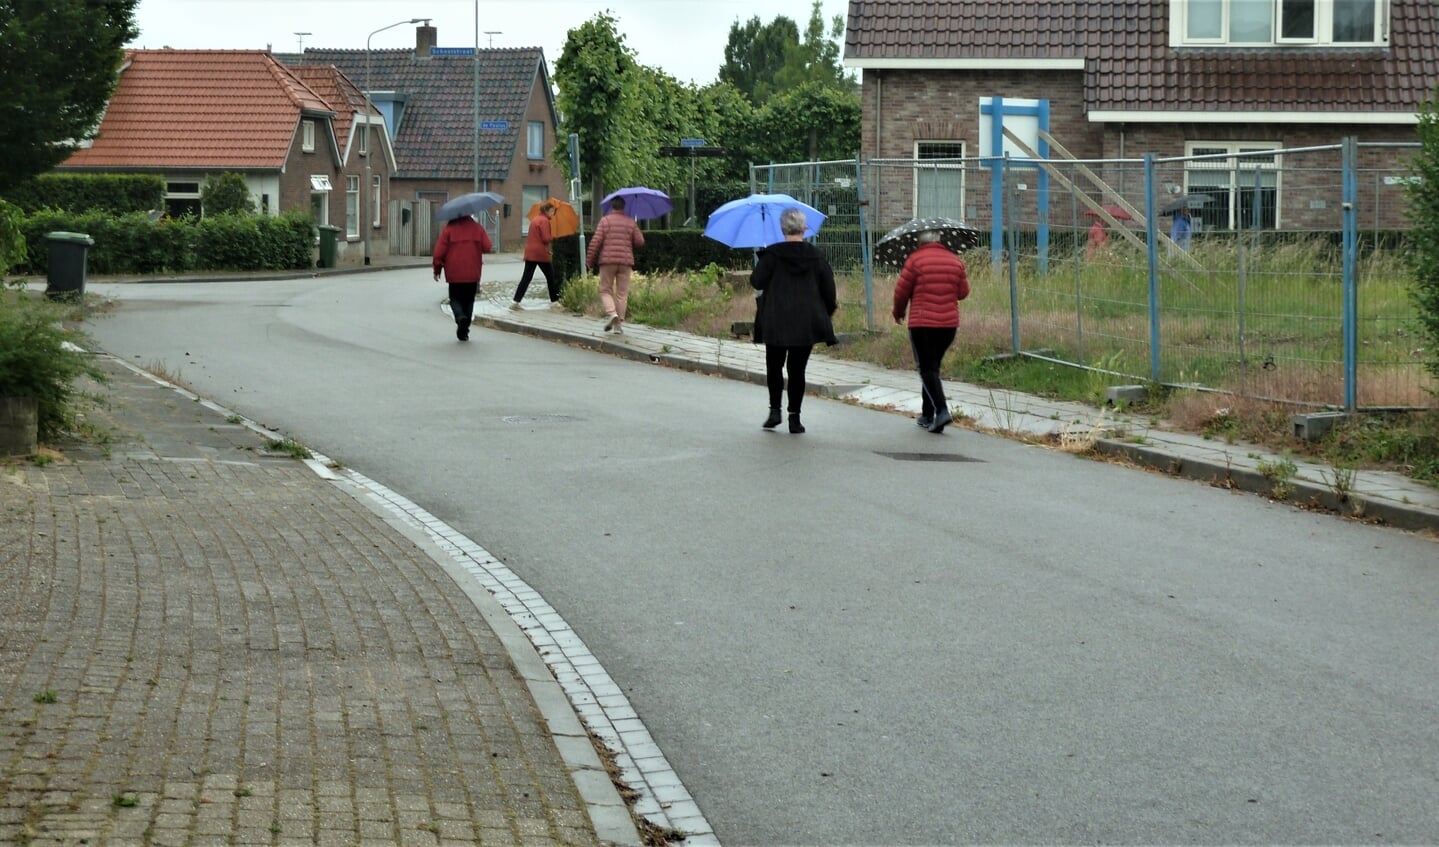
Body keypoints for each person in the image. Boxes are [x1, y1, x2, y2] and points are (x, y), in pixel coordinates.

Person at [750, 207, 837, 434]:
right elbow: (829, 290)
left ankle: (774, 411)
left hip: (776, 320)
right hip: (806, 322)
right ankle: (794, 418)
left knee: (774, 367)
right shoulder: (816, 256)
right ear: (804, 229)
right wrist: (824, 313)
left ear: (782, 229)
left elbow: (757, 282)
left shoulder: (772, 255)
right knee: (797, 370)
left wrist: (762, 258)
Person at [892, 229, 970, 434]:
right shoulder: (955, 261)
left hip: (922, 323)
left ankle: (941, 411)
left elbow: (901, 292)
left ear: (920, 243)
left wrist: (898, 312)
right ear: (940, 241)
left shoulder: (915, 261)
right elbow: (963, 293)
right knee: (932, 367)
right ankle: (927, 414)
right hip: (948, 325)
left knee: (926, 368)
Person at [585, 196, 645, 334]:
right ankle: (618, 326)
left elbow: (596, 242)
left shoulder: (605, 221)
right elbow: (640, 241)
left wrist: (589, 260)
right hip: (625, 262)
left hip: (608, 262)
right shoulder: (630, 221)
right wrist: (633, 229)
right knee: (622, 293)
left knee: (605, 290)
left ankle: (612, 313)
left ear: (612, 207)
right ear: (623, 207)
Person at [432, 213, 493, 341]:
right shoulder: (477, 228)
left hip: (454, 273)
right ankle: (464, 330)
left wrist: (437, 269)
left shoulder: (448, 230)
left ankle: (460, 317)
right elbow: (488, 246)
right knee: (469, 300)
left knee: (455, 298)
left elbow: (439, 253)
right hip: (473, 272)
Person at [512, 202, 559, 310]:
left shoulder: (536, 219)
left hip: (531, 252)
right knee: (550, 276)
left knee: (526, 278)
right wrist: (553, 237)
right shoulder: (544, 221)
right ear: (547, 211)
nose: (553, 213)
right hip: (540, 253)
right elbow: (546, 238)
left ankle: (515, 301)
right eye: (552, 211)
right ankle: (554, 301)